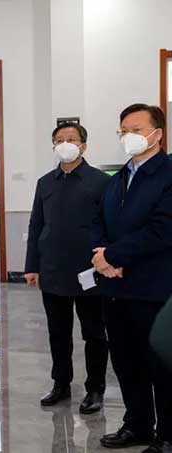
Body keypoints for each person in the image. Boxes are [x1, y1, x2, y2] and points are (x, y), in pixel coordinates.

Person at [93, 104, 172, 453]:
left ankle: (167, 435)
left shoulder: (168, 174)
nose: (129, 136)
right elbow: (98, 220)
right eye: (124, 130)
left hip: (154, 289)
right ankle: (137, 424)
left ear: (158, 134)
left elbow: (162, 229)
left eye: (136, 130)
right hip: (115, 287)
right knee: (126, 362)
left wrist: (113, 255)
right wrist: (101, 255)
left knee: (161, 366)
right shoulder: (119, 177)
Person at [24, 122, 110, 413]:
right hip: (53, 270)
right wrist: (32, 266)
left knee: (94, 333)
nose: (65, 143)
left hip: (90, 272)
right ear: (53, 146)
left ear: (83, 145)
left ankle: (95, 388)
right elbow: (36, 224)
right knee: (57, 332)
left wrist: (109, 260)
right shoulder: (45, 183)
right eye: (59, 139)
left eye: (71, 139)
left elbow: (110, 225)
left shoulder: (101, 182)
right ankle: (61, 384)